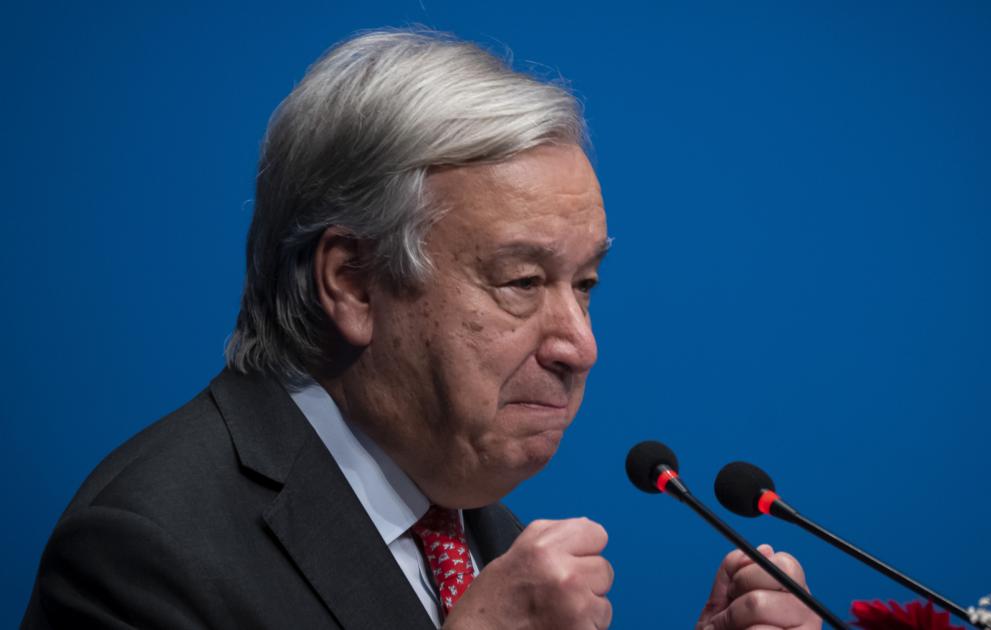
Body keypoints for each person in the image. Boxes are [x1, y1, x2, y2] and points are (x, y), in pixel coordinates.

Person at [23, 29, 817, 630]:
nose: (580, 345)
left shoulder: (476, 527)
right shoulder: (143, 550)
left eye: (585, 286)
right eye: (523, 282)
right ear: (353, 283)